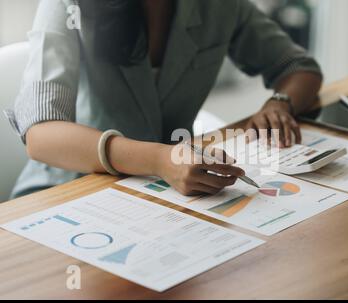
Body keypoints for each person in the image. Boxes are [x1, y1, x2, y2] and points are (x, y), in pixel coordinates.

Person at [6, 0, 322, 198]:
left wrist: (280, 102)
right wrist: (159, 160)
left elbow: (298, 67)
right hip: (70, 189)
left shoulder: (220, 6)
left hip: (167, 195)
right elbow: (40, 135)